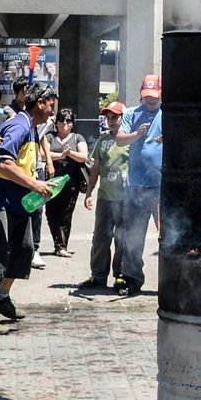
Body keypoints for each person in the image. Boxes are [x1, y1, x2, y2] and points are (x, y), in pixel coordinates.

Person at [0, 83, 55, 334]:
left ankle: (2, 298)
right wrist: (35, 184)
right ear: (40, 103)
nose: (53, 107)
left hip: (17, 201)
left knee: (24, 249)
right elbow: (4, 162)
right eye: (51, 102)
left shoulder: (32, 127)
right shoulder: (19, 125)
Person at [115, 74, 163, 297]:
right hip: (136, 184)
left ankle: (170, 279)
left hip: (162, 187)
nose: (151, 101)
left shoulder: (168, 114)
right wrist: (138, 134)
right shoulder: (131, 113)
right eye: (147, 97)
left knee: (168, 234)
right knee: (133, 235)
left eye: (154, 97)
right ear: (141, 95)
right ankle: (132, 279)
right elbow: (120, 140)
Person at [79, 101, 129, 289]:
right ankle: (98, 276)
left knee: (122, 238)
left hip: (125, 198)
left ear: (123, 118)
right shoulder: (103, 140)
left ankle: (121, 275)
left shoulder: (130, 139)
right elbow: (95, 168)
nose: (111, 120)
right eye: (108, 117)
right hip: (105, 197)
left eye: (115, 117)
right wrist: (89, 192)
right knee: (100, 237)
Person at [44, 108, 88, 258]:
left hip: (71, 183)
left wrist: (70, 154)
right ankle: (57, 243)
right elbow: (43, 155)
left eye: (68, 121)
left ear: (73, 124)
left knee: (65, 215)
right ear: (56, 122)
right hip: (51, 182)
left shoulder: (77, 137)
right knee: (50, 214)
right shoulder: (50, 137)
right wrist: (61, 155)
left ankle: (62, 246)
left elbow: (83, 156)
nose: (64, 123)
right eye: (61, 120)